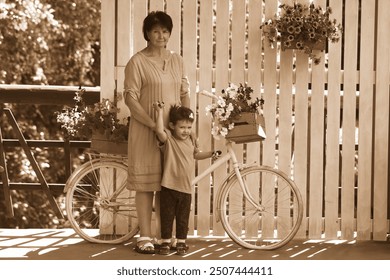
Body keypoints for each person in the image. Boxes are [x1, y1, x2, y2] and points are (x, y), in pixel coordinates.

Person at [123, 11, 190, 254]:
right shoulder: (137, 62)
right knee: (146, 184)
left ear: (170, 33)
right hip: (145, 129)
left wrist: (186, 123)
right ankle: (144, 237)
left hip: (171, 133)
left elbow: (184, 93)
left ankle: (165, 236)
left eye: (164, 30)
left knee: (169, 184)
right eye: (155, 31)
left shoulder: (177, 60)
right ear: (147, 35)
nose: (160, 35)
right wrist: (154, 125)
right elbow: (130, 99)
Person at [153, 102, 220, 255]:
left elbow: (196, 155)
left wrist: (211, 153)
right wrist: (159, 111)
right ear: (171, 126)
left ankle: (181, 243)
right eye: (182, 127)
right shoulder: (169, 140)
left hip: (185, 188)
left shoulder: (190, 141)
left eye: (189, 128)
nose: (186, 131)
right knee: (167, 216)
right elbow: (158, 130)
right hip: (168, 186)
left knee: (183, 218)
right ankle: (165, 242)